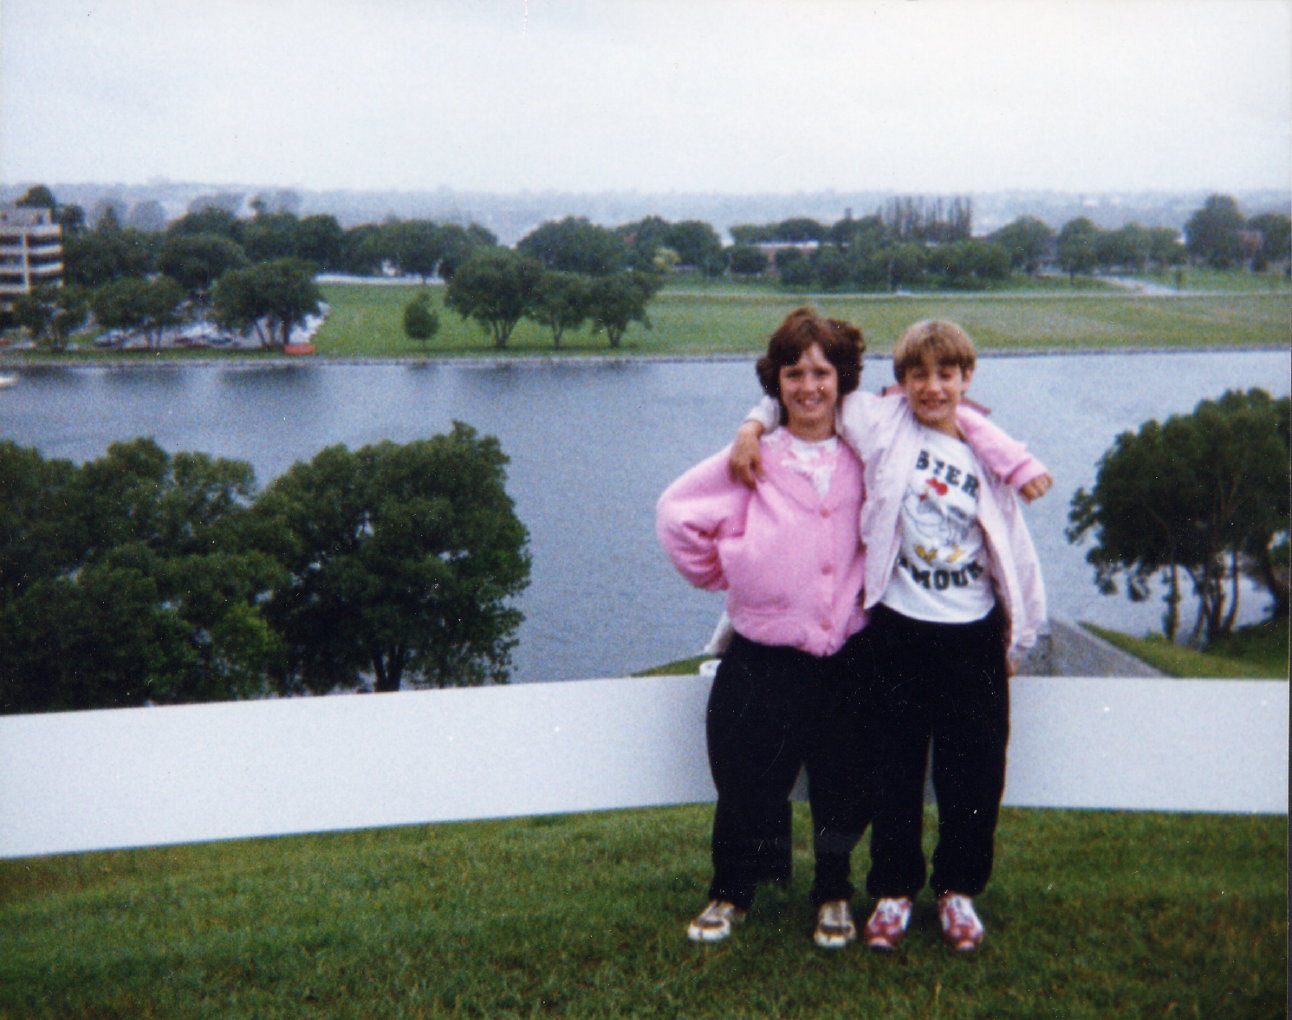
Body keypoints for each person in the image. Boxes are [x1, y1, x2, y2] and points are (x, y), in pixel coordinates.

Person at [730, 317, 1048, 953]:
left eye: (946, 375)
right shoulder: (879, 425)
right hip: (899, 632)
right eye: (918, 375)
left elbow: (1014, 550)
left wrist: (1018, 639)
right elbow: (802, 390)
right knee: (894, 770)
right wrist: (750, 427)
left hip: (973, 636)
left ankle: (958, 893)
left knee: (975, 773)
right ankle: (894, 892)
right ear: (899, 383)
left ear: (966, 378)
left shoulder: (988, 452)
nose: (933, 387)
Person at [657, 307, 871, 947]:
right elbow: (677, 515)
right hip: (764, 652)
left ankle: (833, 891)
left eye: (822, 372)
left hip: (848, 651)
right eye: (793, 373)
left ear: (843, 378)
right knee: (747, 774)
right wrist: (733, 572)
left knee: (844, 778)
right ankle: (732, 891)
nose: (809, 387)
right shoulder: (754, 456)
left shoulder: (869, 453)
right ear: (775, 382)